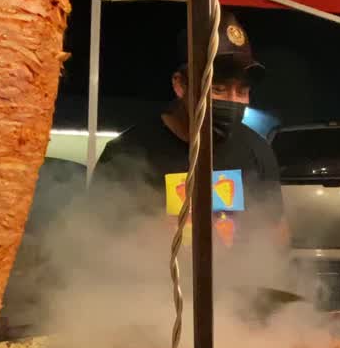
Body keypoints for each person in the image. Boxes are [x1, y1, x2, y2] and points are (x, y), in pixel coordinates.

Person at [91, 12, 289, 250]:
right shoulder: (126, 153)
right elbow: (95, 243)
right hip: (151, 285)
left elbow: (276, 233)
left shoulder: (257, 151)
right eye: (217, 88)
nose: (233, 101)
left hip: (238, 285)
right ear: (180, 85)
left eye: (242, 91)